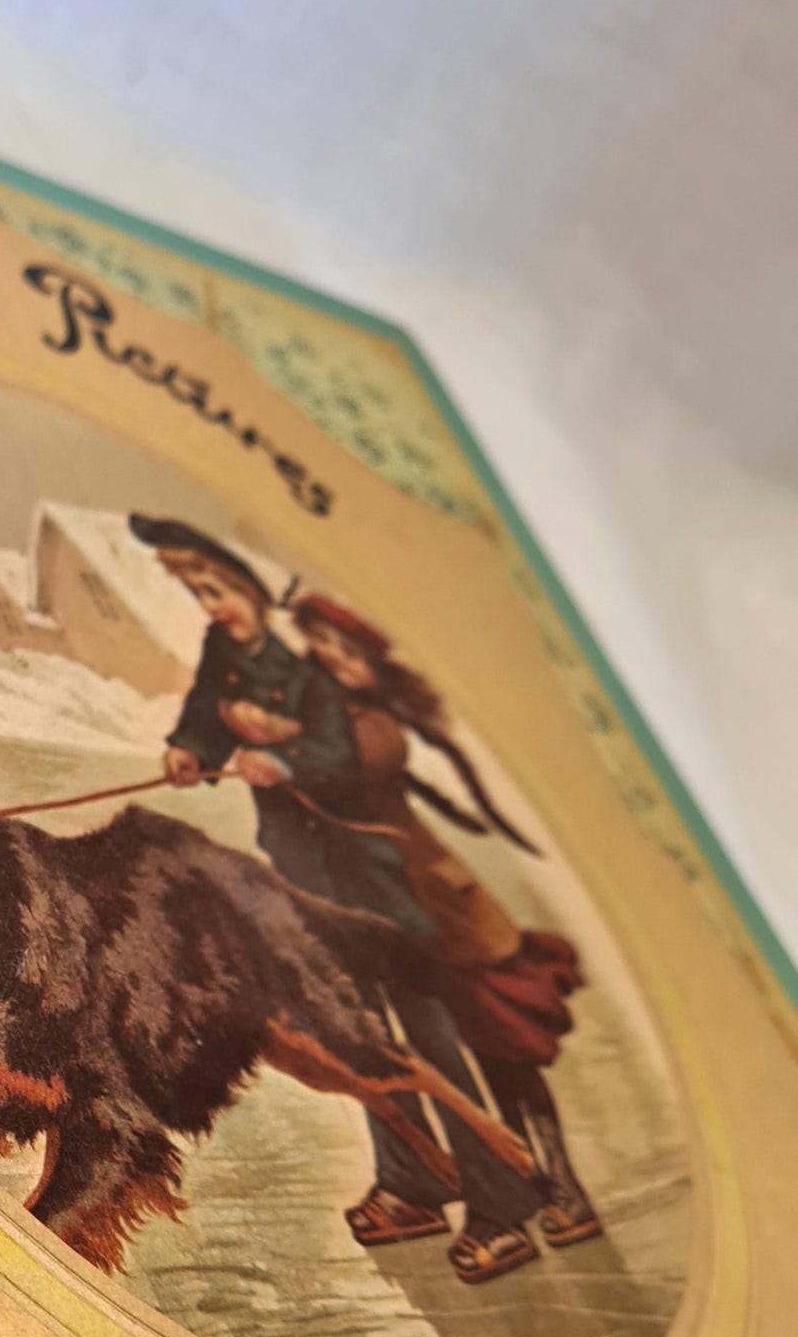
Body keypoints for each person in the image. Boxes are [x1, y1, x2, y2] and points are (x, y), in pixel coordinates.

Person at [129, 514, 546, 1282]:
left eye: (217, 588)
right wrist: (192, 750)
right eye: (197, 592)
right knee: (356, 1030)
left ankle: (502, 1205)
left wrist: (284, 761)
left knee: (426, 1036)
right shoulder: (225, 653)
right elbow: (203, 716)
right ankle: (416, 1184)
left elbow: (340, 759)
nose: (210, 604)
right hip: (304, 881)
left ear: (250, 587)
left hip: (371, 881)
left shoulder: (313, 677)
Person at [290, 589, 601, 1257]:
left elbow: (343, 769)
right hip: (390, 907)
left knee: (501, 1047)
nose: (335, 659)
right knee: (457, 1050)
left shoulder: (371, 728)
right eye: (323, 642)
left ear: (377, 669)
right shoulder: (318, 707)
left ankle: (562, 1186)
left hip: (440, 908)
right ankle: (506, 1185)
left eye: (350, 652)